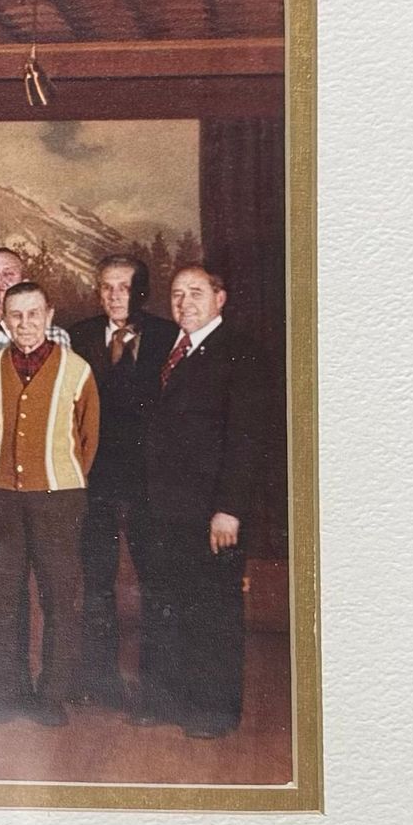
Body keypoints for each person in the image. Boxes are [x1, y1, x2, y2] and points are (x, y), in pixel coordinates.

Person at [139, 263, 264, 739]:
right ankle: (166, 700)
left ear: (220, 299)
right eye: (177, 293)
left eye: (196, 292)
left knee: (212, 609)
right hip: (162, 508)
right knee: (165, 603)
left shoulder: (241, 353)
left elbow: (246, 439)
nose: (184, 302)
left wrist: (229, 509)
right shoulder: (165, 349)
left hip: (212, 511)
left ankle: (214, 709)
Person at [0, 281, 100, 722]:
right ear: (4, 319)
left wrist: (60, 474)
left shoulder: (77, 370)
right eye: (16, 315)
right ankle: (5, 693)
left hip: (58, 498)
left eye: (33, 314)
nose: (25, 324)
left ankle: (52, 696)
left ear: (49, 315)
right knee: (0, 598)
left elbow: (88, 437)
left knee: (59, 597)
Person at [67, 253, 175, 711]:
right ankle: (101, 683)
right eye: (107, 287)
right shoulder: (79, 336)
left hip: (151, 481)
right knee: (96, 584)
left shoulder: (168, 336)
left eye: (124, 287)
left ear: (140, 291)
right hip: (96, 481)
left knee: (157, 582)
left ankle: (156, 689)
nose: (115, 296)